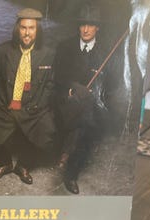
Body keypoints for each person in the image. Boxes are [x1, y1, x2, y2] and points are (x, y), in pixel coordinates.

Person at [0, 8, 55, 185]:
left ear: (37, 30)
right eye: (23, 28)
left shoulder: (48, 54)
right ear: (17, 29)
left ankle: (24, 165)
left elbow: (50, 84)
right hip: (8, 103)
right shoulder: (2, 51)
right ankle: (4, 163)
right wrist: (4, 102)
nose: (27, 33)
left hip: (34, 106)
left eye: (31, 28)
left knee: (47, 130)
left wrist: (38, 105)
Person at [54, 3, 120, 194]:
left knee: (87, 119)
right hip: (67, 99)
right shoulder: (65, 46)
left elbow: (112, 84)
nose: (86, 29)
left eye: (90, 25)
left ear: (97, 27)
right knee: (83, 118)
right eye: (83, 24)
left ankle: (70, 173)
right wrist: (71, 89)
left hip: (92, 105)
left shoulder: (107, 51)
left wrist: (96, 92)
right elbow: (58, 77)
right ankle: (67, 154)